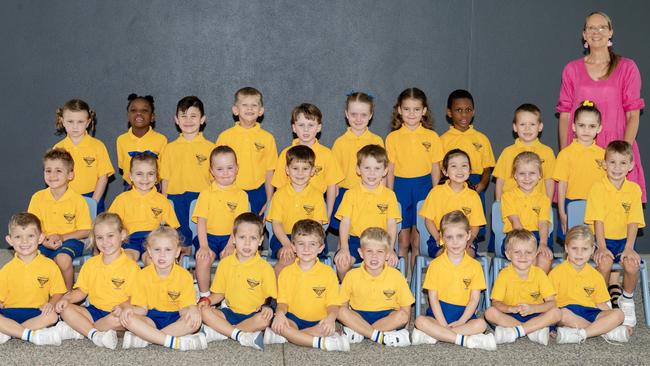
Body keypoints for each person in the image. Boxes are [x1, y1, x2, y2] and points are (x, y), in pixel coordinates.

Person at [557, 11, 645, 201]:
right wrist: (566, 156)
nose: (596, 31)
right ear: (584, 35)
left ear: (611, 32)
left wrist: (622, 157)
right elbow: (565, 115)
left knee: (614, 222)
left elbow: (633, 116)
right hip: (581, 152)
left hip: (615, 149)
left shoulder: (627, 67)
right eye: (591, 28)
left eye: (602, 27)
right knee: (579, 219)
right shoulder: (571, 69)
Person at [411, 211, 495, 350]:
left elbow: (474, 300)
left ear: (468, 235)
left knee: (481, 324)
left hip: (464, 315)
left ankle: (436, 335)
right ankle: (463, 340)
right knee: (420, 321)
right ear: (442, 238)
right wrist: (443, 324)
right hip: (438, 315)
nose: (455, 242)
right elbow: (433, 298)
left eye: (460, 236)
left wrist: (462, 321)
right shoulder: (435, 265)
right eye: (449, 237)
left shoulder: (475, 266)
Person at [54, 213, 140, 349]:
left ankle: (83, 330)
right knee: (65, 309)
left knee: (123, 319)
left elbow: (134, 298)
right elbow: (81, 291)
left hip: (115, 314)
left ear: (122, 235)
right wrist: (67, 299)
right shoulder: (91, 264)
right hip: (93, 311)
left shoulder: (131, 267)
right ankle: (95, 334)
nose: (105, 242)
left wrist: (123, 307)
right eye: (100, 237)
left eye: (110, 236)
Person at [585, 140, 645, 329]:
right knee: (605, 262)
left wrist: (629, 248)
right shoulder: (597, 188)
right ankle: (602, 302)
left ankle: (626, 301)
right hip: (601, 239)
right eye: (612, 162)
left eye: (622, 163)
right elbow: (598, 221)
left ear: (631, 166)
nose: (617, 168)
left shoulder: (634, 190)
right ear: (604, 164)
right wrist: (601, 247)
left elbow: (633, 221)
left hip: (623, 241)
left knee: (632, 264)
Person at [265, 219, 349, 352]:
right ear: (293, 246)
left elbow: (333, 304)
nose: (306, 249)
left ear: (320, 248)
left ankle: (291, 336)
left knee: (320, 328)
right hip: (293, 319)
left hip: (319, 321)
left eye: (312, 244)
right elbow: (282, 303)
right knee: (284, 325)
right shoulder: (286, 272)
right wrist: (280, 314)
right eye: (301, 244)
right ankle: (322, 343)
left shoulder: (328, 273)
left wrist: (331, 318)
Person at [120, 227, 206, 351]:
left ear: (177, 252)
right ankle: (173, 341)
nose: (162, 255)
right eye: (157, 250)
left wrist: (193, 310)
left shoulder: (184, 276)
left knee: (193, 320)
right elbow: (142, 310)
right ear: (149, 252)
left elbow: (184, 309)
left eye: (168, 250)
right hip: (151, 319)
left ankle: (148, 338)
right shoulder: (141, 275)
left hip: (175, 318)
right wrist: (128, 310)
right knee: (128, 319)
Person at [386, 87, 443, 274]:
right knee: (402, 239)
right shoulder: (393, 138)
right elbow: (391, 168)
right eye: (407, 109)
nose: (412, 113)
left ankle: (416, 284)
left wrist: (436, 192)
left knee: (418, 239)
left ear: (424, 111)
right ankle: (401, 281)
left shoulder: (432, 137)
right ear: (400, 110)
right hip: (401, 188)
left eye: (417, 109)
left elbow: (436, 166)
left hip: (423, 187)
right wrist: (389, 193)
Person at [199, 213, 276, 350]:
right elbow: (219, 294)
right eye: (242, 237)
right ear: (233, 239)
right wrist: (207, 301)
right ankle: (241, 334)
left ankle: (222, 333)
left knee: (265, 319)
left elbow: (271, 298)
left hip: (253, 315)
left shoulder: (265, 268)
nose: (247, 243)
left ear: (260, 241)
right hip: (229, 312)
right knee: (203, 311)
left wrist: (267, 307)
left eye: (253, 238)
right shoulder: (225, 264)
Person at [550, 225, 628, 344]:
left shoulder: (595, 275)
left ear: (592, 250)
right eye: (574, 248)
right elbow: (551, 304)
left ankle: (581, 334)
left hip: (590, 312)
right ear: (566, 248)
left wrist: (613, 318)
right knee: (562, 314)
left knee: (619, 314)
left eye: (584, 249)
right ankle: (604, 331)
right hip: (567, 311)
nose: (579, 253)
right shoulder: (556, 273)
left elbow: (601, 303)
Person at [337, 227, 413, 347]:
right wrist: (345, 323)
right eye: (369, 251)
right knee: (340, 311)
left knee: (402, 316)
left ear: (387, 255)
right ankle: (378, 335)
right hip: (359, 316)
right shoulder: (351, 275)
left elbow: (406, 307)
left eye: (380, 252)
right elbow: (343, 304)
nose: (374, 256)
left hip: (386, 317)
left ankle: (361, 332)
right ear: (361, 253)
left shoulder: (396, 276)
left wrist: (405, 329)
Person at [484, 229, 562, 345]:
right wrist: (510, 308)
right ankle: (532, 330)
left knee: (557, 313)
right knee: (489, 312)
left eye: (528, 252)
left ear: (535, 254)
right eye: (517, 252)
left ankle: (516, 332)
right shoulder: (503, 274)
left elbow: (552, 303)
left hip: (535, 314)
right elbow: (496, 303)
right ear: (508, 255)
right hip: (510, 316)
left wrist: (533, 309)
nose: (523, 256)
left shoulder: (539, 274)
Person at [28, 148, 91, 289]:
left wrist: (61, 237)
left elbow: (86, 230)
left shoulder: (78, 200)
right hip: (43, 241)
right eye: (48, 170)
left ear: (70, 175)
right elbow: (31, 227)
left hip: (71, 240)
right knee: (30, 257)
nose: (52, 175)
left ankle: (67, 294)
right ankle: (37, 293)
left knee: (62, 258)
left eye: (58, 171)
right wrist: (44, 241)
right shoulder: (37, 198)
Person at [335, 144, 400, 279]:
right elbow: (345, 223)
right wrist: (344, 248)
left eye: (377, 168)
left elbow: (392, 225)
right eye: (367, 168)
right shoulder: (350, 194)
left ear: (385, 171)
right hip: (355, 241)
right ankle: (346, 293)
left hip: (381, 242)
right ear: (358, 170)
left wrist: (390, 249)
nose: (372, 173)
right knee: (342, 264)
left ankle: (379, 296)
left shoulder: (389, 195)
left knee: (390, 264)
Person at [0, 213, 65, 345]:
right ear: (10, 240)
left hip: (36, 312)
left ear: (40, 238)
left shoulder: (50, 265)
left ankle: (10, 332)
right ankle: (31, 335)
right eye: (18, 237)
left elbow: (58, 293)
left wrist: (51, 304)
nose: (24, 241)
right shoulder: (6, 270)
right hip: (10, 313)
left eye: (30, 236)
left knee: (52, 316)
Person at [192, 146, 249, 297]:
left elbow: (240, 225)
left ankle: (227, 297)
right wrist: (204, 246)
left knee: (231, 260)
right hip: (208, 237)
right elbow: (201, 222)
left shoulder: (241, 195)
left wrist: (231, 244)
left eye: (230, 168)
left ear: (237, 168)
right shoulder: (206, 194)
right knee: (203, 259)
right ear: (211, 171)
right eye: (219, 169)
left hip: (231, 238)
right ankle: (204, 297)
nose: (225, 173)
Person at [271, 103, 344, 220]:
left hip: (315, 210)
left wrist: (328, 214)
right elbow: (279, 187)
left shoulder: (327, 154)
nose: (306, 129)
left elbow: (332, 187)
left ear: (319, 127)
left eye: (311, 125)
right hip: (289, 208)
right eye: (301, 125)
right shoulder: (285, 153)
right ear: (294, 128)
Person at [159, 96, 214, 250]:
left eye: (193, 116)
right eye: (183, 116)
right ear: (176, 119)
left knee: (200, 242)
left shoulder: (211, 148)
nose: (188, 120)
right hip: (176, 200)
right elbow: (165, 178)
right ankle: (181, 273)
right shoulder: (169, 148)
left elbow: (214, 180)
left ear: (202, 119)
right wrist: (164, 202)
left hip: (201, 199)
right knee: (180, 243)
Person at [216, 87, 278, 216]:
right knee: (232, 231)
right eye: (244, 105)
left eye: (254, 105)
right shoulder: (225, 137)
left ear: (260, 111)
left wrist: (269, 199)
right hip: (231, 190)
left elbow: (269, 171)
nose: (249, 109)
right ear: (235, 110)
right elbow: (215, 169)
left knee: (254, 231)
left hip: (258, 193)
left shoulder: (267, 138)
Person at [267, 145, 327, 276]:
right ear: (287, 170)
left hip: (310, 238)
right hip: (284, 237)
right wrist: (288, 244)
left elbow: (318, 226)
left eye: (305, 169)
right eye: (295, 168)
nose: (300, 173)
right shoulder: (279, 195)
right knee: (287, 258)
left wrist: (307, 244)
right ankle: (275, 295)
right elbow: (276, 224)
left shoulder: (317, 195)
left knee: (309, 260)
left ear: (312, 171)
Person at [108, 153, 180, 263]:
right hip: (130, 241)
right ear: (130, 176)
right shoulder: (121, 199)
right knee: (125, 260)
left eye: (150, 174)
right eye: (139, 174)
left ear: (156, 177)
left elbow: (172, 228)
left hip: (154, 241)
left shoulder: (162, 200)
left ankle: (153, 280)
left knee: (153, 261)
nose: (145, 179)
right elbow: (110, 226)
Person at [330, 92, 384, 232]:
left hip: (371, 193)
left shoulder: (377, 141)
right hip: (346, 193)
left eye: (363, 115)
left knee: (370, 233)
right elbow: (333, 175)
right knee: (345, 233)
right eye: (354, 114)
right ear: (346, 114)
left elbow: (382, 170)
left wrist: (383, 193)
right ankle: (342, 252)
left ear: (370, 115)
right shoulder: (340, 142)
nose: (358, 119)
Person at [553, 100, 606, 240]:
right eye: (582, 125)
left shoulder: (604, 155)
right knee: (573, 242)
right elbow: (562, 185)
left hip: (597, 205)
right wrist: (562, 213)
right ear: (574, 127)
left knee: (594, 242)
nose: (586, 130)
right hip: (572, 203)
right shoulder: (565, 154)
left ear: (599, 128)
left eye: (592, 126)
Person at [419, 149, 486, 258]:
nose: (460, 170)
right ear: (445, 171)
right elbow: (428, 220)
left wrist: (471, 239)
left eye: (464, 166)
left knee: (466, 256)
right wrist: (438, 238)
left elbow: (475, 226)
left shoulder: (473, 196)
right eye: (454, 166)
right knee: (446, 256)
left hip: (465, 238)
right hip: (441, 237)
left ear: (470, 171)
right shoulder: (436, 192)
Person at [440, 89, 495, 222]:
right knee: (451, 224)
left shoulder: (482, 138)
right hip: (450, 186)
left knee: (473, 224)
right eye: (458, 110)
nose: (464, 114)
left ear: (473, 112)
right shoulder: (442, 140)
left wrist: (482, 184)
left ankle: (472, 244)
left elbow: (487, 167)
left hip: (474, 184)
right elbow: (440, 170)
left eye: (468, 109)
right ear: (449, 113)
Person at [53, 99, 114, 213]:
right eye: (70, 121)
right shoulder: (58, 148)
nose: (75, 126)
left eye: (80, 122)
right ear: (62, 121)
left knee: (94, 230)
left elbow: (103, 176)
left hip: (92, 196)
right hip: (66, 197)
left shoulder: (98, 146)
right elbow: (55, 177)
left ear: (88, 122)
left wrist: (94, 201)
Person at [500, 152, 553, 273]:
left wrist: (543, 243)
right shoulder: (508, 197)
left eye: (532, 173)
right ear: (515, 175)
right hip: (516, 236)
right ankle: (525, 290)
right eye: (522, 173)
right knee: (529, 259)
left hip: (538, 236)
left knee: (545, 259)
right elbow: (516, 223)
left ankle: (537, 290)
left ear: (540, 175)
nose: (527, 178)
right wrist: (530, 247)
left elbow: (543, 223)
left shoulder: (543, 199)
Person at [493, 103, 555, 201]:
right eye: (522, 124)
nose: (527, 128)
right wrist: (498, 202)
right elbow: (500, 180)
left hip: (537, 207)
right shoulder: (507, 152)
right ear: (515, 127)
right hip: (511, 205)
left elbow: (549, 181)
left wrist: (548, 204)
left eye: (532, 124)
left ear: (540, 127)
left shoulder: (547, 152)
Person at [115, 93, 167, 190]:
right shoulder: (121, 140)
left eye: (144, 110)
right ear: (128, 116)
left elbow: (163, 170)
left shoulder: (161, 140)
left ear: (152, 117)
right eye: (134, 110)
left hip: (155, 188)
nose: (139, 113)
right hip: (130, 188)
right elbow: (123, 167)